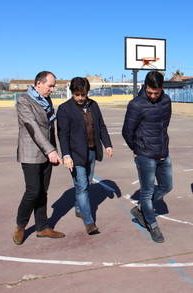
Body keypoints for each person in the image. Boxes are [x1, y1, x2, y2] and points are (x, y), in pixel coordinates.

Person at [13, 71, 65, 245]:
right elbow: (32, 127)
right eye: (50, 85)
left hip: (47, 153)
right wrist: (50, 150)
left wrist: (55, 150)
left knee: (43, 191)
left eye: (53, 85)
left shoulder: (46, 100)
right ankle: (21, 225)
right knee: (33, 191)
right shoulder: (23, 101)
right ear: (38, 84)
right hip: (31, 153)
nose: (53, 89)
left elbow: (50, 128)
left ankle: (42, 227)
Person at [57, 77, 113, 235]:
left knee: (86, 183)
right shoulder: (64, 109)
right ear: (72, 93)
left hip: (92, 151)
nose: (81, 98)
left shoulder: (93, 105)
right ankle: (89, 222)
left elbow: (101, 126)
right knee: (82, 186)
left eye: (83, 94)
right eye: (77, 95)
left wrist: (107, 144)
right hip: (75, 154)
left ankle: (78, 206)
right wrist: (66, 155)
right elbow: (63, 134)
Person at [122, 71, 172, 243]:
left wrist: (162, 144)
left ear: (162, 88)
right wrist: (137, 148)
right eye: (149, 92)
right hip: (145, 154)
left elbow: (164, 125)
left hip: (163, 152)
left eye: (156, 93)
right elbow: (127, 131)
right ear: (145, 87)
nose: (152, 96)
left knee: (166, 186)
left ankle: (141, 209)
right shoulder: (136, 104)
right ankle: (152, 225)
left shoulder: (166, 101)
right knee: (147, 191)